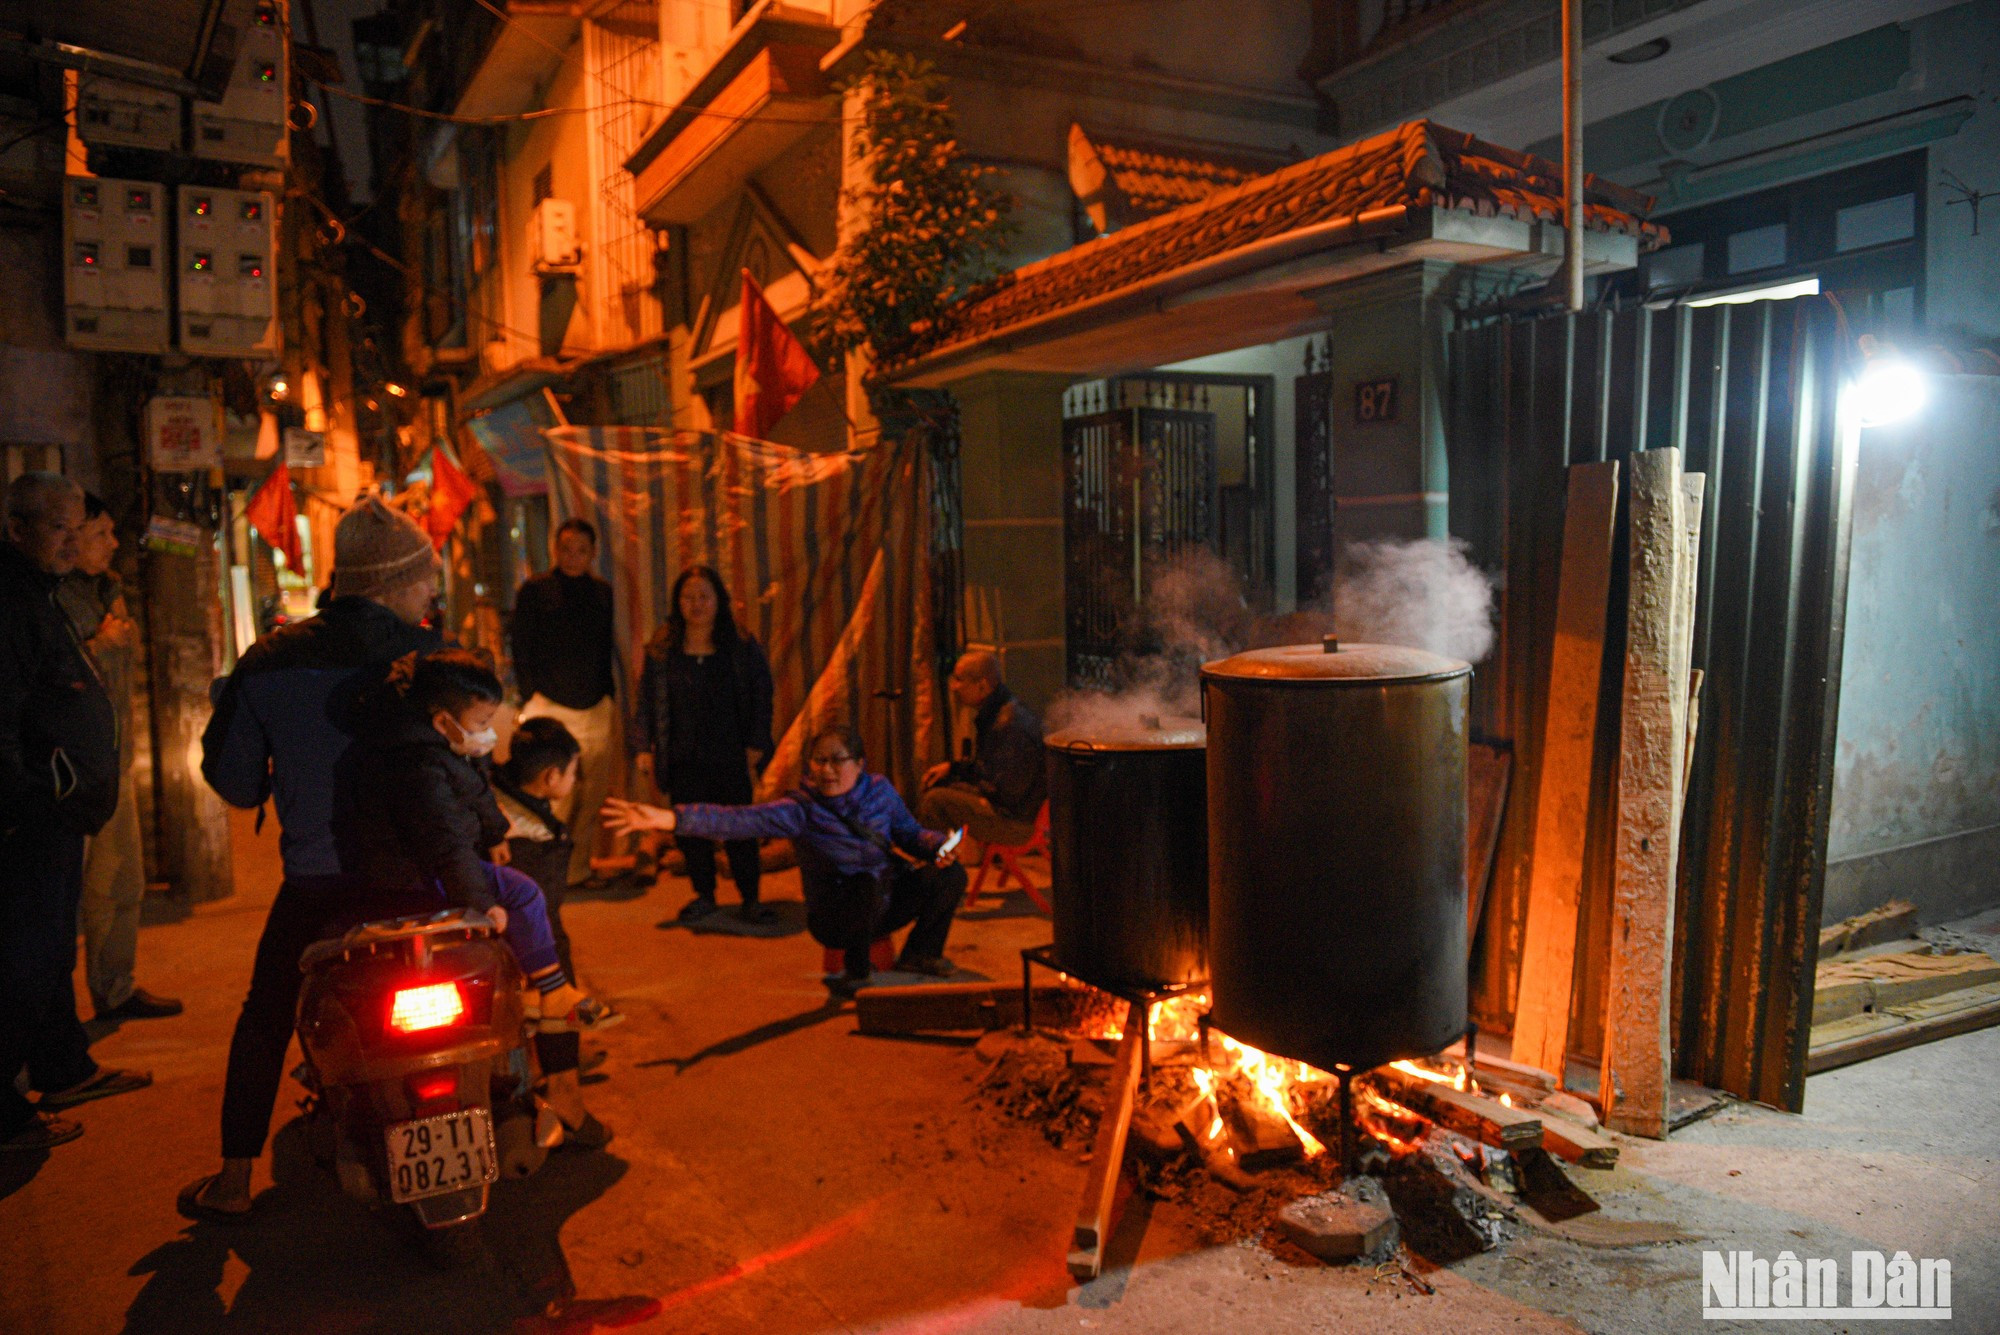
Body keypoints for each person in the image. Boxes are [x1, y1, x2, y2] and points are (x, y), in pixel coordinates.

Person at [186, 495, 445, 1216]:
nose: (432, 592)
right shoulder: (432, 658)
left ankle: (234, 1180)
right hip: (424, 887)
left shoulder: (268, 661)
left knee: (267, 1011)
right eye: (425, 578)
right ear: (392, 582)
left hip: (318, 886)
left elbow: (235, 783)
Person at [333, 648, 618, 1033]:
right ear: (443, 721)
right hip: (412, 875)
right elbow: (446, 843)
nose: (488, 730)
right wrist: (482, 902)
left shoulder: (445, 749)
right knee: (524, 895)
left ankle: (537, 989)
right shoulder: (420, 768)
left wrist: (494, 833)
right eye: (482, 720)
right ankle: (552, 991)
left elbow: (475, 793)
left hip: (427, 865)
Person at [1, 472, 151, 1153]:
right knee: (27, 956)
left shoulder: (41, 591)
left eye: (74, 527)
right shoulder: (12, 599)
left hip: (56, 808)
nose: (70, 540)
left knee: (48, 948)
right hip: (32, 814)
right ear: (18, 530)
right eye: (58, 528)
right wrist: (33, 793)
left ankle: (64, 1066)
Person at [605, 725, 966, 997]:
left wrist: (939, 846)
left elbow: (910, 834)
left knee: (950, 876)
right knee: (861, 882)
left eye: (837, 760)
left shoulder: (880, 793)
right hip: (835, 917)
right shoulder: (801, 809)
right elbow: (738, 821)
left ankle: (921, 954)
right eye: (819, 761)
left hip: (884, 902)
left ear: (859, 764)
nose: (827, 770)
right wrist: (671, 819)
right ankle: (855, 975)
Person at [57, 492, 181, 1022]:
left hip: (115, 761)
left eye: (112, 533)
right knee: (62, 900)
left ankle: (115, 987)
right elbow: (52, 677)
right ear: (70, 536)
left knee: (122, 879)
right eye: (100, 535)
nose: (112, 544)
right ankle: (49, 1021)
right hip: (68, 773)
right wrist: (101, 645)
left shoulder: (109, 589)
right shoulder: (51, 597)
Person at [629, 565, 777, 925]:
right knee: (691, 830)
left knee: (740, 827)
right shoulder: (663, 648)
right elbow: (646, 701)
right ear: (677, 602)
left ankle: (750, 898)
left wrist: (758, 740)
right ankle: (704, 894)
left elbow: (762, 693)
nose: (696, 604)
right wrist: (643, 747)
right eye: (688, 597)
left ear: (718, 600)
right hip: (682, 754)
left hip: (729, 751)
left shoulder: (740, 644)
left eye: (703, 596)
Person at [509, 519, 619, 886]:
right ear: (555, 550)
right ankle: (548, 874)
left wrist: (608, 696)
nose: (573, 557)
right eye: (566, 548)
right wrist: (531, 696)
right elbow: (521, 646)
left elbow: (606, 649)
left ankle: (579, 870)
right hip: (550, 705)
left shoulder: (603, 593)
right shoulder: (535, 590)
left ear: (593, 553)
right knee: (553, 794)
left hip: (595, 706)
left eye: (582, 550)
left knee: (591, 795)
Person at [917, 650, 1046, 848]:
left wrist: (976, 790)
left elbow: (1006, 790)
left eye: (959, 680)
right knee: (939, 785)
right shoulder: (998, 713)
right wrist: (952, 769)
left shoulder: (1007, 724)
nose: (953, 687)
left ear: (982, 686)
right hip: (1009, 807)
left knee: (934, 802)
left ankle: (940, 870)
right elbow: (989, 768)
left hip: (1016, 821)